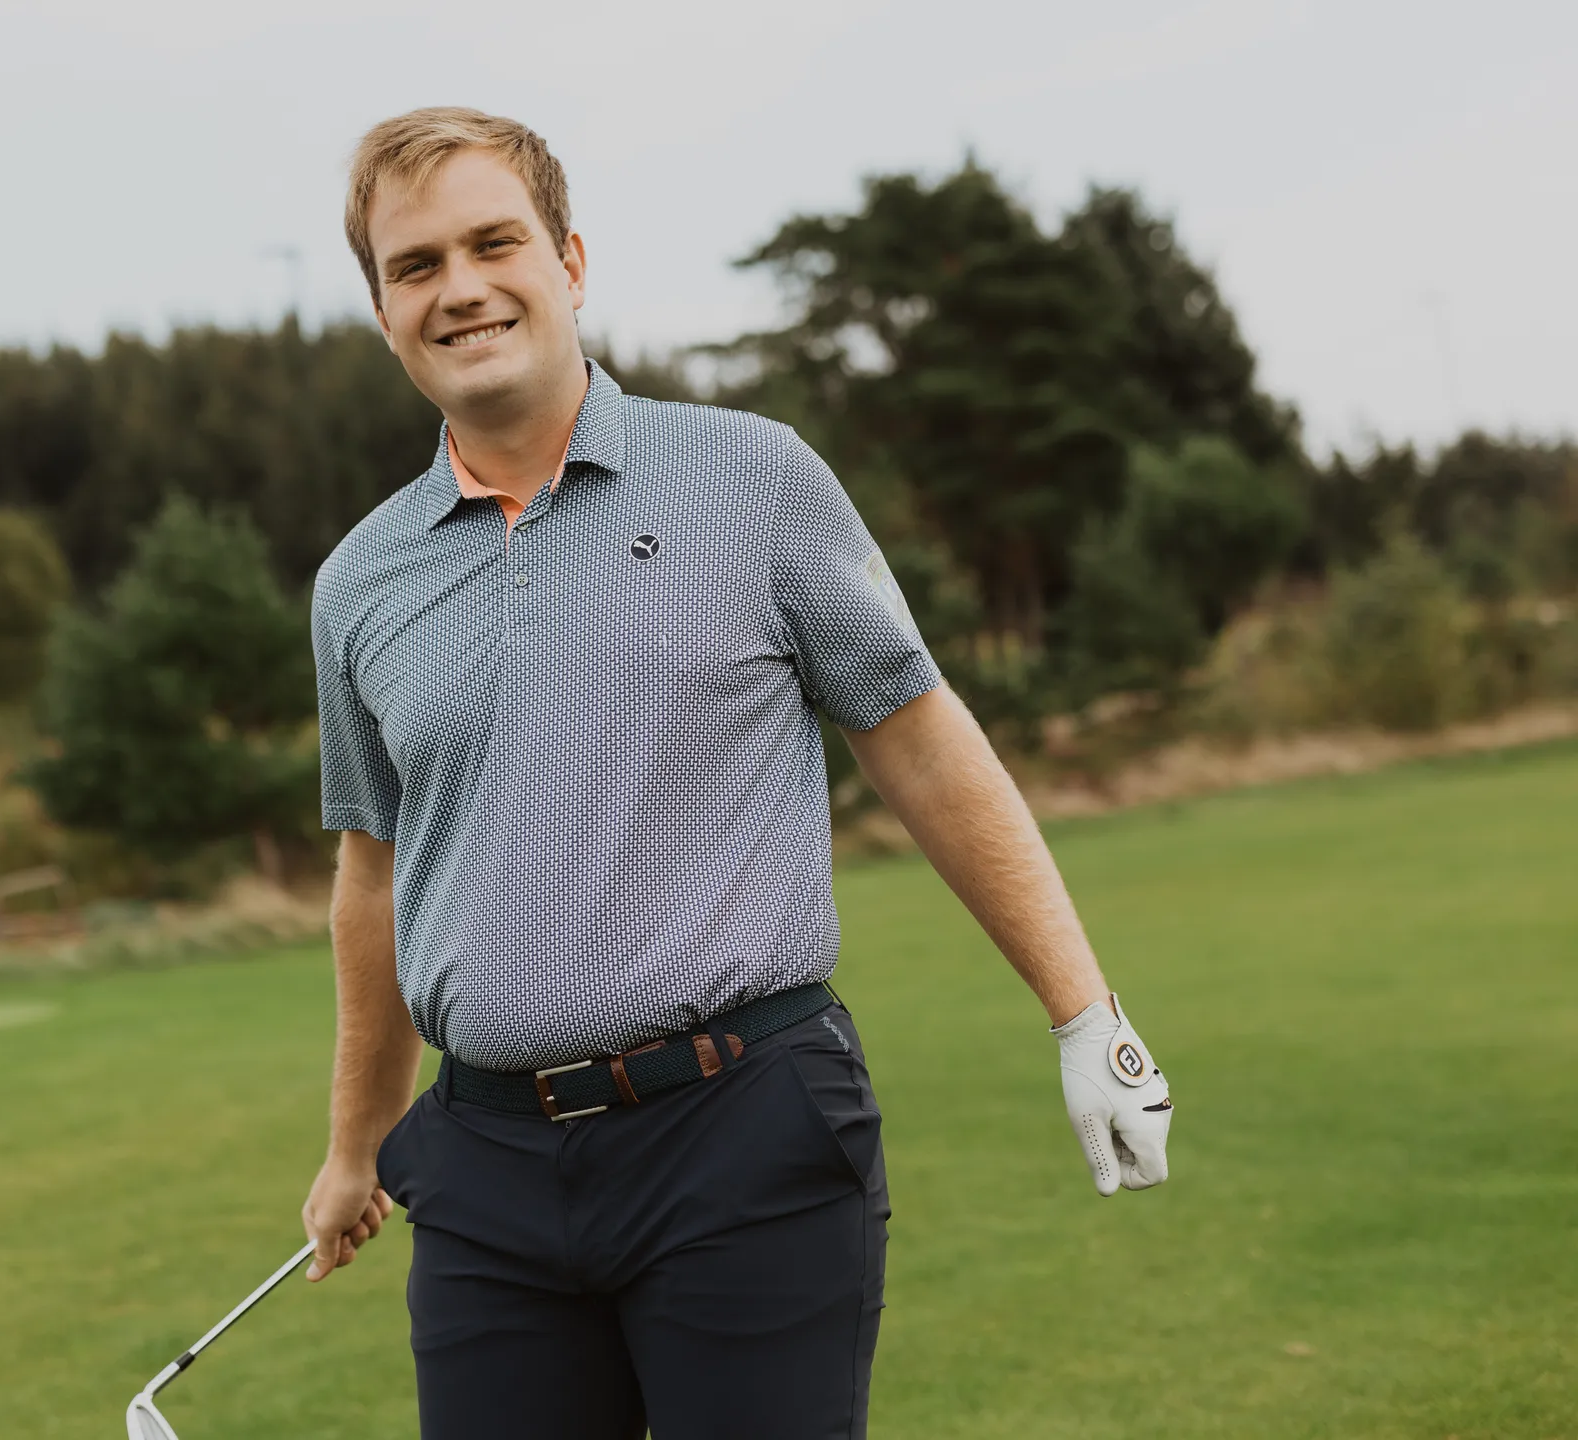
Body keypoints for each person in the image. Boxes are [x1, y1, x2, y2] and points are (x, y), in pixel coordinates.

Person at [300, 107, 1173, 1439]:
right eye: (416, 266)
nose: (461, 289)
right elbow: (374, 879)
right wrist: (356, 1147)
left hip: (744, 1134)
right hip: (485, 1170)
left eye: (495, 244)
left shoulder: (751, 480)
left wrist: (1082, 1012)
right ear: (382, 310)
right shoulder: (360, 585)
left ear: (571, 262)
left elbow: (920, 741)